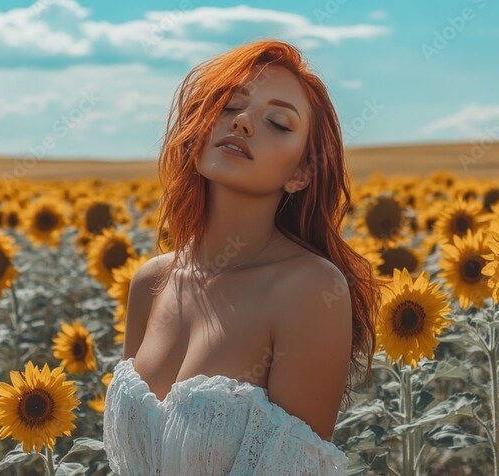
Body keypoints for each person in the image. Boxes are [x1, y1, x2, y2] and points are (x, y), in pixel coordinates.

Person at [103, 39, 382, 475]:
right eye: (230, 106)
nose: (245, 123)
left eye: (278, 122)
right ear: (198, 132)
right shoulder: (150, 283)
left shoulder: (309, 289)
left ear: (301, 172)